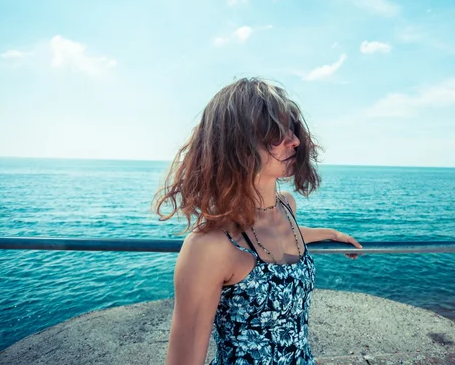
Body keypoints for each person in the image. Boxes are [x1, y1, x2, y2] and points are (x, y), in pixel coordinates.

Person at [153, 78, 362, 365]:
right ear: (238, 143)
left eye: (292, 129)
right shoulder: (209, 247)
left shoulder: (286, 206)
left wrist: (331, 233)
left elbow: (283, 235)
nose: (295, 140)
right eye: (276, 132)